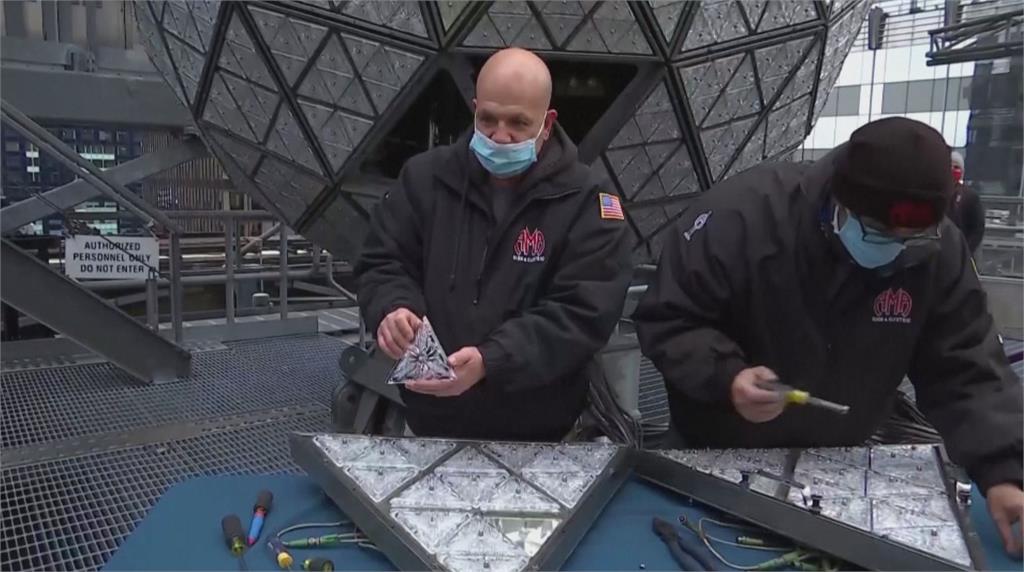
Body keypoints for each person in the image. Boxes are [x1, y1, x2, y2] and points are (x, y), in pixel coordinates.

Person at [634, 118, 1023, 556]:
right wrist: (727, 377)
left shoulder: (938, 250)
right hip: (712, 452)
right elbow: (670, 318)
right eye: (877, 232)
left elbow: (966, 367)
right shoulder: (741, 217)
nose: (893, 248)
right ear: (841, 202)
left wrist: (1003, 471)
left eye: (911, 239)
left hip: (837, 466)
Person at [355, 48, 632, 441]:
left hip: (543, 432)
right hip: (429, 422)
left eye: (518, 123)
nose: (500, 136)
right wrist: (393, 308)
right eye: (488, 120)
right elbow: (383, 261)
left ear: (547, 123)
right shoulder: (424, 178)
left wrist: (492, 361)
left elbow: (584, 311)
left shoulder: (587, 201)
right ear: (474, 110)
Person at [948, 150, 986, 254]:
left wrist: (966, 250)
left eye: (956, 167)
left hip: (962, 249)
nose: (952, 170)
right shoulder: (939, 194)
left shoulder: (971, 196)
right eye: (950, 166)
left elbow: (978, 228)